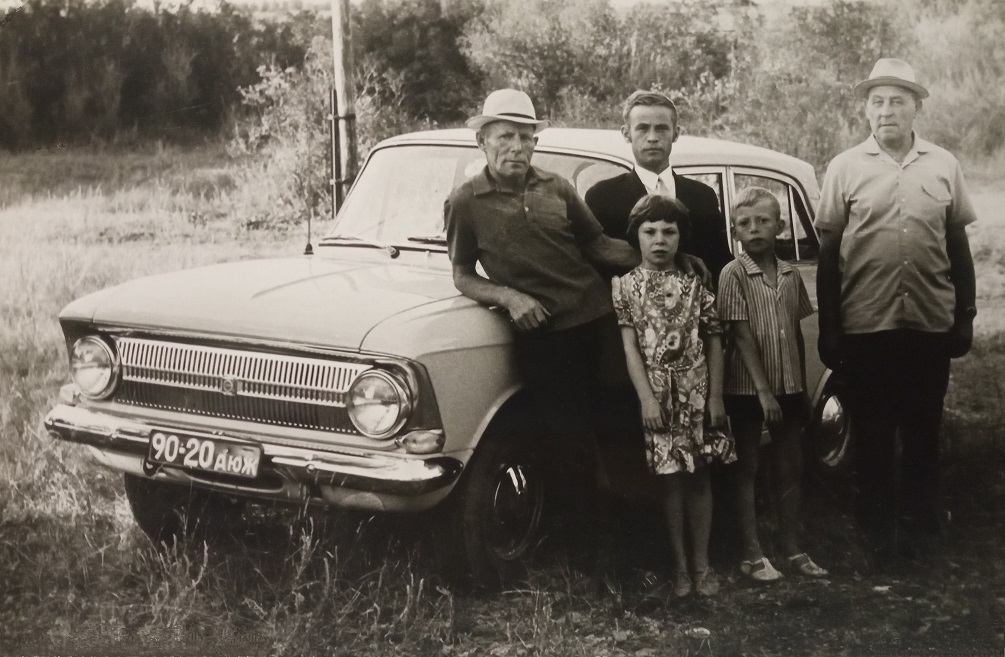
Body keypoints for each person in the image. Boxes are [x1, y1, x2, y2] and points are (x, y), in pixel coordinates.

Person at [444, 88, 641, 581]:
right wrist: (510, 297)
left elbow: (599, 245)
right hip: (544, 339)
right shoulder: (465, 201)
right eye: (504, 136)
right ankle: (583, 559)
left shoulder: (558, 187)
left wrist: (665, 258)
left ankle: (635, 548)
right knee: (565, 444)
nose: (515, 146)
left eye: (524, 137)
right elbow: (462, 274)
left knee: (619, 432)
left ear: (535, 142)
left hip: (597, 322)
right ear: (482, 142)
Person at [815, 59, 977, 562]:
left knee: (924, 430)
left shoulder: (943, 164)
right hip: (867, 326)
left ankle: (921, 532)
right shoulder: (844, 167)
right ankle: (878, 537)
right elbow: (828, 256)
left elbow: (958, 246)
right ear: (866, 110)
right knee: (873, 433)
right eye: (877, 102)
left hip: (929, 323)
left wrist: (965, 315)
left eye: (898, 101)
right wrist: (830, 327)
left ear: (916, 108)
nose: (887, 111)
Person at [613, 194, 735, 598]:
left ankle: (702, 565)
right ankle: (680, 568)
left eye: (669, 232)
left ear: (681, 237)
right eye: (650, 232)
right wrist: (646, 399)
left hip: (696, 391)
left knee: (699, 477)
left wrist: (715, 396)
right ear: (636, 236)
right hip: (658, 396)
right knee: (669, 481)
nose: (659, 240)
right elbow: (630, 348)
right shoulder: (625, 287)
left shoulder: (696, 284)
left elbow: (714, 340)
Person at [718, 187, 828, 582]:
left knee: (790, 464)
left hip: (788, 383)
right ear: (734, 231)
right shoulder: (733, 274)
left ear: (780, 226)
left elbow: (795, 332)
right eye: (744, 223)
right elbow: (741, 335)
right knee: (748, 464)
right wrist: (764, 392)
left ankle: (792, 547)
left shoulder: (790, 274)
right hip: (748, 388)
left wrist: (800, 388)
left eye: (763, 221)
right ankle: (752, 553)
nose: (754, 228)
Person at [586, 90, 734, 284]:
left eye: (662, 128)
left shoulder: (702, 196)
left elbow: (721, 264)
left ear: (676, 133)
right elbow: (593, 261)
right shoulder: (602, 197)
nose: (652, 137)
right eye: (642, 128)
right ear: (626, 134)